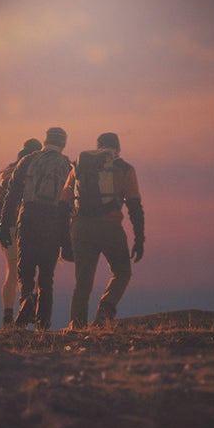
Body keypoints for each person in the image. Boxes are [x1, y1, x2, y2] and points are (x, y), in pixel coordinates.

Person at [68, 131, 145, 328]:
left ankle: (76, 326)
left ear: (97, 147)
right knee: (122, 272)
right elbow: (134, 206)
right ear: (117, 149)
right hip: (110, 227)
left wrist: (64, 239)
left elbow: (63, 203)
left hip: (81, 227)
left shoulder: (79, 166)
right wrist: (139, 239)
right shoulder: (124, 168)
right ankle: (104, 312)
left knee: (83, 281)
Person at [7, 127, 76, 330]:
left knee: (25, 271)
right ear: (63, 144)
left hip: (28, 218)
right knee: (46, 277)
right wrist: (67, 238)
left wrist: (5, 225)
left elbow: (13, 194)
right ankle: (43, 325)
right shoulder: (68, 166)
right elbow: (71, 204)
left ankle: (27, 298)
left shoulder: (29, 160)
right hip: (53, 222)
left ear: (45, 141)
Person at [0, 136, 41, 326]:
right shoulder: (39, 169)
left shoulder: (6, 172)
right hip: (33, 226)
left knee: (11, 272)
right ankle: (32, 306)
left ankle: (8, 316)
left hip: (8, 227)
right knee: (36, 270)